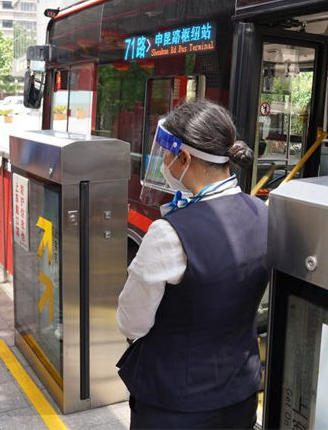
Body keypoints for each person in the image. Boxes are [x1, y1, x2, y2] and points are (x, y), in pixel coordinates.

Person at [117, 99, 269, 429]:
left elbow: (132, 323)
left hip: (174, 403)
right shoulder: (264, 214)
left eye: (166, 156)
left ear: (184, 158)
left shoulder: (169, 233)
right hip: (240, 393)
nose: (164, 165)